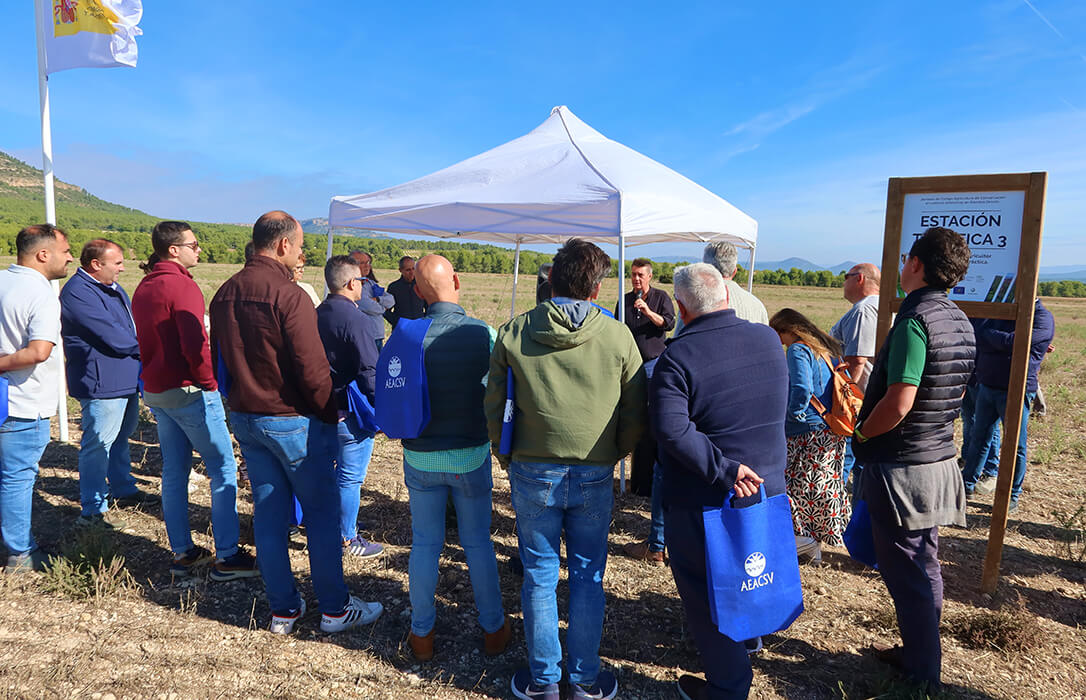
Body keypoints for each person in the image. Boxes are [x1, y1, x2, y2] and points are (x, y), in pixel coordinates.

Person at [486, 238, 646, 700]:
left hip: (532, 467)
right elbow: (637, 409)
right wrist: (614, 453)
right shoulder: (618, 336)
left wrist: (506, 454)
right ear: (596, 290)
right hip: (594, 469)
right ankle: (583, 679)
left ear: (550, 279)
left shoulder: (514, 332)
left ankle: (544, 681)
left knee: (538, 574)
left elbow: (494, 403)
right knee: (587, 574)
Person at [210, 211, 382, 635]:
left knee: (269, 513)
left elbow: (220, 363)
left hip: (246, 418)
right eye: (301, 244)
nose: (303, 252)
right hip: (291, 420)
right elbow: (312, 368)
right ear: (283, 244)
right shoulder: (289, 296)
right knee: (321, 516)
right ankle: (335, 609)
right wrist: (327, 414)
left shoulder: (224, 292)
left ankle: (283, 609)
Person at [651, 263, 788, 700]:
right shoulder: (768, 339)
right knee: (751, 572)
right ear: (727, 294)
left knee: (704, 587)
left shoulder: (677, 357)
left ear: (680, 307)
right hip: (766, 487)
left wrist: (726, 470)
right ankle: (746, 640)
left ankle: (729, 685)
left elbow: (672, 431)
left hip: (707, 497)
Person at [851, 227, 974, 690]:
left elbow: (900, 401)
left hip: (903, 469)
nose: (902, 266)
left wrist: (861, 432)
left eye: (907, 259)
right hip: (939, 460)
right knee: (923, 566)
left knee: (910, 574)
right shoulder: (959, 319)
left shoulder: (915, 319)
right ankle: (918, 652)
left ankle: (922, 675)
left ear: (917, 265)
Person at [398, 254, 510, 661]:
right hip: (469, 455)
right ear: (457, 281)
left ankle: (421, 635)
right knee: (478, 543)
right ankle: (494, 629)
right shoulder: (484, 333)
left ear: (416, 291)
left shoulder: (407, 334)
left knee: (425, 544)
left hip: (421, 456)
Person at [131, 221, 257, 581]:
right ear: (174, 249)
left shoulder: (146, 285)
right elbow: (194, 342)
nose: (199, 250)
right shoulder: (181, 286)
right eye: (194, 244)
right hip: (188, 390)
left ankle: (183, 551)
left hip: (156, 389)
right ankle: (229, 556)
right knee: (222, 470)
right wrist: (210, 383)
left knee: (173, 472)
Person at [60, 238, 157, 531]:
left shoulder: (111, 288)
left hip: (123, 378)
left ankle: (123, 487)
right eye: (117, 263)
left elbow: (129, 327)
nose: (122, 268)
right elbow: (114, 337)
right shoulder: (78, 293)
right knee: (98, 443)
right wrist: (154, 349)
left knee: (120, 436)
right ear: (95, 264)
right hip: (100, 381)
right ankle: (92, 509)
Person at [0, 224, 73, 572]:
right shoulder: (41, 292)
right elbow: (39, 351)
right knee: (17, 477)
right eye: (66, 251)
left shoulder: (2, 281)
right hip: (23, 400)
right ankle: (20, 553)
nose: (71, 257)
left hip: (9, 396)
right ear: (43, 254)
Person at [769, 308, 851, 564]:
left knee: (792, 485)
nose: (778, 341)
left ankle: (803, 540)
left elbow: (802, 388)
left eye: (778, 334)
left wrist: (793, 415)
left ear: (787, 330)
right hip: (830, 428)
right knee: (816, 487)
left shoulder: (798, 350)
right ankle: (811, 546)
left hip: (807, 430)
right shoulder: (824, 348)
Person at [315, 256, 383, 559]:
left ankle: (339, 523)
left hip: (320, 408)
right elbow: (369, 369)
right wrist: (380, 408)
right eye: (362, 281)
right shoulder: (356, 319)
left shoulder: (316, 313)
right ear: (352, 283)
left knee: (328, 473)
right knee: (350, 477)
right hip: (350, 410)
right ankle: (347, 537)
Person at [961, 298, 1054, 510]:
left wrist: (993, 338)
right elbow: (978, 333)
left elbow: (1017, 342)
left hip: (1017, 389)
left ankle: (1011, 495)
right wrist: (1002, 341)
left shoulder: (1042, 317)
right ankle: (967, 486)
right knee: (979, 438)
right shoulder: (1002, 309)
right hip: (987, 385)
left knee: (1015, 445)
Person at [616, 258, 675, 564]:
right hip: (629, 364)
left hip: (653, 364)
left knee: (653, 419)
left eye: (640, 275)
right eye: (632, 275)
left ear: (650, 276)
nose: (635, 279)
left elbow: (669, 324)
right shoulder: (623, 300)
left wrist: (648, 312)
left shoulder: (661, 298)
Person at [831, 263, 880, 492]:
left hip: (858, 402)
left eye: (846, 277)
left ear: (859, 278)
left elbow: (856, 361)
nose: (843, 282)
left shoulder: (863, 310)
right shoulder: (880, 305)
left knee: (848, 463)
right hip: (872, 398)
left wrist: (843, 403)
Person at [349, 250, 394, 349]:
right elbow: (369, 306)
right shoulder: (352, 284)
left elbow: (391, 300)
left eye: (368, 262)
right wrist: (383, 308)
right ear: (352, 265)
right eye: (362, 263)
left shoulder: (370, 283)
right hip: (364, 336)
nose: (367, 266)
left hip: (378, 335)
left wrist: (377, 299)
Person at [383, 255, 426, 328]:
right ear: (400, 270)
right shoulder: (394, 287)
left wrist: (423, 320)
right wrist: (398, 322)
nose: (412, 272)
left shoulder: (421, 284)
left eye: (413, 269)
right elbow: (386, 310)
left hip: (420, 327)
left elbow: (430, 307)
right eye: (408, 270)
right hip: (400, 329)